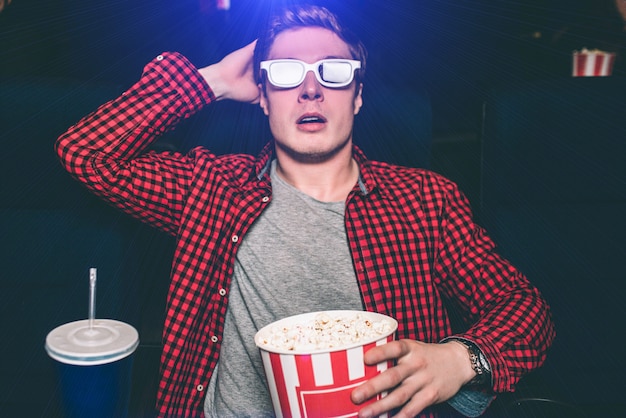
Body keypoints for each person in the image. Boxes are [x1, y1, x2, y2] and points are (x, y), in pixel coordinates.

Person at [55, 4, 555, 418]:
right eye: (287, 72)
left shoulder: (427, 200)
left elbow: (525, 307)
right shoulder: (209, 187)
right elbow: (85, 153)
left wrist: (462, 357)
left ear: (357, 96)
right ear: (264, 98)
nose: (311, 88)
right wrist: (212, 82)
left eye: (333, 73)